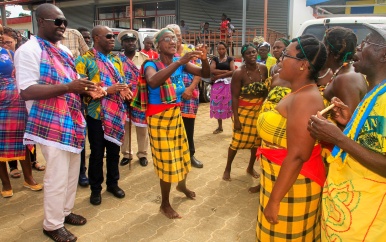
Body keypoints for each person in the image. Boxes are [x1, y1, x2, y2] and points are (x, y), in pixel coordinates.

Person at [14, 3, 104, 241]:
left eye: (64, 22)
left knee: (72, 172)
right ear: (41, 22)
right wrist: (68, 87)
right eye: (57, 22)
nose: (63, 26)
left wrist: (88, 89)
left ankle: (64, 212)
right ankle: (52, 225)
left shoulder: (62, 50)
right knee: (56, 176)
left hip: (71, 119)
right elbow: (26, 90)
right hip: (48, 123)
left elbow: (73, 80)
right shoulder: (28, 50)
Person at [308, 23, 386, 241]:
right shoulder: (376, 92)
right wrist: (350, 122)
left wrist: (339, 138)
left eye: (367, 42)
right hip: (350, 207)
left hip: (367, 216)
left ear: (384, 55)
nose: (358, 47)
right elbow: (374, 141)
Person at [132, 27, 210, 219]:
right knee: (166, 162)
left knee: (183, 154)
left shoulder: (178, 61)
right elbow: (152, 82)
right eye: (168, 39)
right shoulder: (151, 64)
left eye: (175, 39)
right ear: (158, 45)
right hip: (158, 119)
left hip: (175, 114)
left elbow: (206, 73)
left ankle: (181, 185)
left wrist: (205, 59)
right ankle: (165, 204)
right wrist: (180, 62)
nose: (173, 42)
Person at [256, 35, 327, 241]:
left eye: (286, 55)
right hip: (283, 183)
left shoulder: (306, 99)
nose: (280, 59)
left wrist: (275, 201)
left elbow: (297, 155)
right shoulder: (298, 92)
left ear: (303, 65)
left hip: (292, 188)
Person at [76, 25, 132, 206]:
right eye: (108, 36)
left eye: (113, 36)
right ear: (96, 37)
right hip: (96, 115)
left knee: (114, 150)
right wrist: (108, 90)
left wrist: (125, 91)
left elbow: (121, 82)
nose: (112, 39)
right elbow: (80, 87)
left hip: (116, 113)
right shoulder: (84, 60)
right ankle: (95, 189)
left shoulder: (116, 61)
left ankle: (113, 184)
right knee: (97, 153)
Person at [0, 23, 43, 199]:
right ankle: (6, 184)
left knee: (24, 142)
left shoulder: (9, 53)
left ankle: (29, 178)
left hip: (18, 104)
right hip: (2, 105)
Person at [248, 38, 291, 194]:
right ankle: (263, 183)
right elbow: (267, 93)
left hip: (283, 122)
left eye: (281, 48)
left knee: (282, 156)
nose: (277, 50)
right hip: (268, 119)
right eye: (275, 47)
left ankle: (279, 188)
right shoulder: (273, 69)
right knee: (265, 153)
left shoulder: (294, 74)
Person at [222, 44, 268, 181]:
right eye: (248, 53)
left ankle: (250, 167)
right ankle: (227, 168)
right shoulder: (239, 73)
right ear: (243, 56)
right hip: (243, 112)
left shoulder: (264, 69)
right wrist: (236, 118)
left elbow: (267, 89)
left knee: (256, 142)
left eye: (254, 52)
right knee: (236, 142)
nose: (252, 55)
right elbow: (234, 97)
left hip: (259, 111)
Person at [167, 24, 204, 168]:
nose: (176, 38)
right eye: (172, 35)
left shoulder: (190, 50)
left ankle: (190, 154)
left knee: (188, 126)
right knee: (173, 127)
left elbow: (199, 71)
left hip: (190, 94)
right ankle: (175, 157)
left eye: (178, 35)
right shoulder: (165, 53)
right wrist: (179, 89)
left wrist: (190, 88)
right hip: (171, 95)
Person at [117, 29, 149, 167]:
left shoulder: (144, 58)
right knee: (125, 127)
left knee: (142, 128)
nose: (130, 43)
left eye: (132, 40)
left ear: (136, 42)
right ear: (122, 44)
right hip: (122, 98)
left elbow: (148, 78)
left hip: (140, 98)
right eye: (127, 41)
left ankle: (142, 154)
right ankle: (127, 154)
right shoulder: (117, 59)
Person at [210, 41, 234, 134]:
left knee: (229, 104)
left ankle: (234, 127)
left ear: (226, 49)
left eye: (223, 49)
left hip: (228, 84)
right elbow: (212, 70)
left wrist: (218, 75)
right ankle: (220, 127)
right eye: (219, 49)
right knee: (217, 104)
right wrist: (225, 71)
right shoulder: (215, 59)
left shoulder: (230, 59)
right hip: (217, 85)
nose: (221, 50)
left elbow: (233, 71)